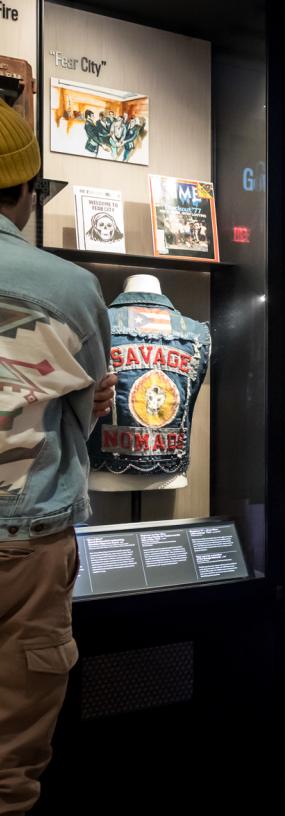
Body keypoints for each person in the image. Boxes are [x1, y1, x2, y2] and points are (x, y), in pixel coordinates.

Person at [0, 99, 115, 814]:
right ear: (24, 190)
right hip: (28, 545)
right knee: (10, 763)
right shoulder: (70, 286)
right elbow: (85, 418)